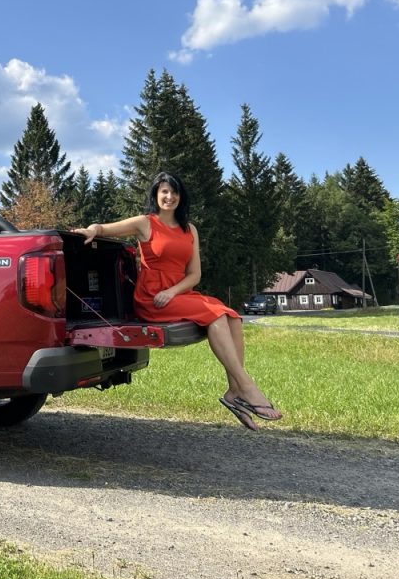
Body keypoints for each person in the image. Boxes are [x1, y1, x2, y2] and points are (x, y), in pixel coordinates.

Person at [72, 172, 282, 431]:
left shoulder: (189, 229)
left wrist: (173, 291)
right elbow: (104, 228)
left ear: (181, 197)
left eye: (174, 192)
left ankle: (234, 391)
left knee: (232, 317)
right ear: (156, 195)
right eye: (164, 192)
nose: (169, 197)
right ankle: (246, 388)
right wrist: (90, 230)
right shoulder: (145, 223)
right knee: (215, 315)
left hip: (175, 294)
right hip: (152, 298)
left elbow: (195, 275)